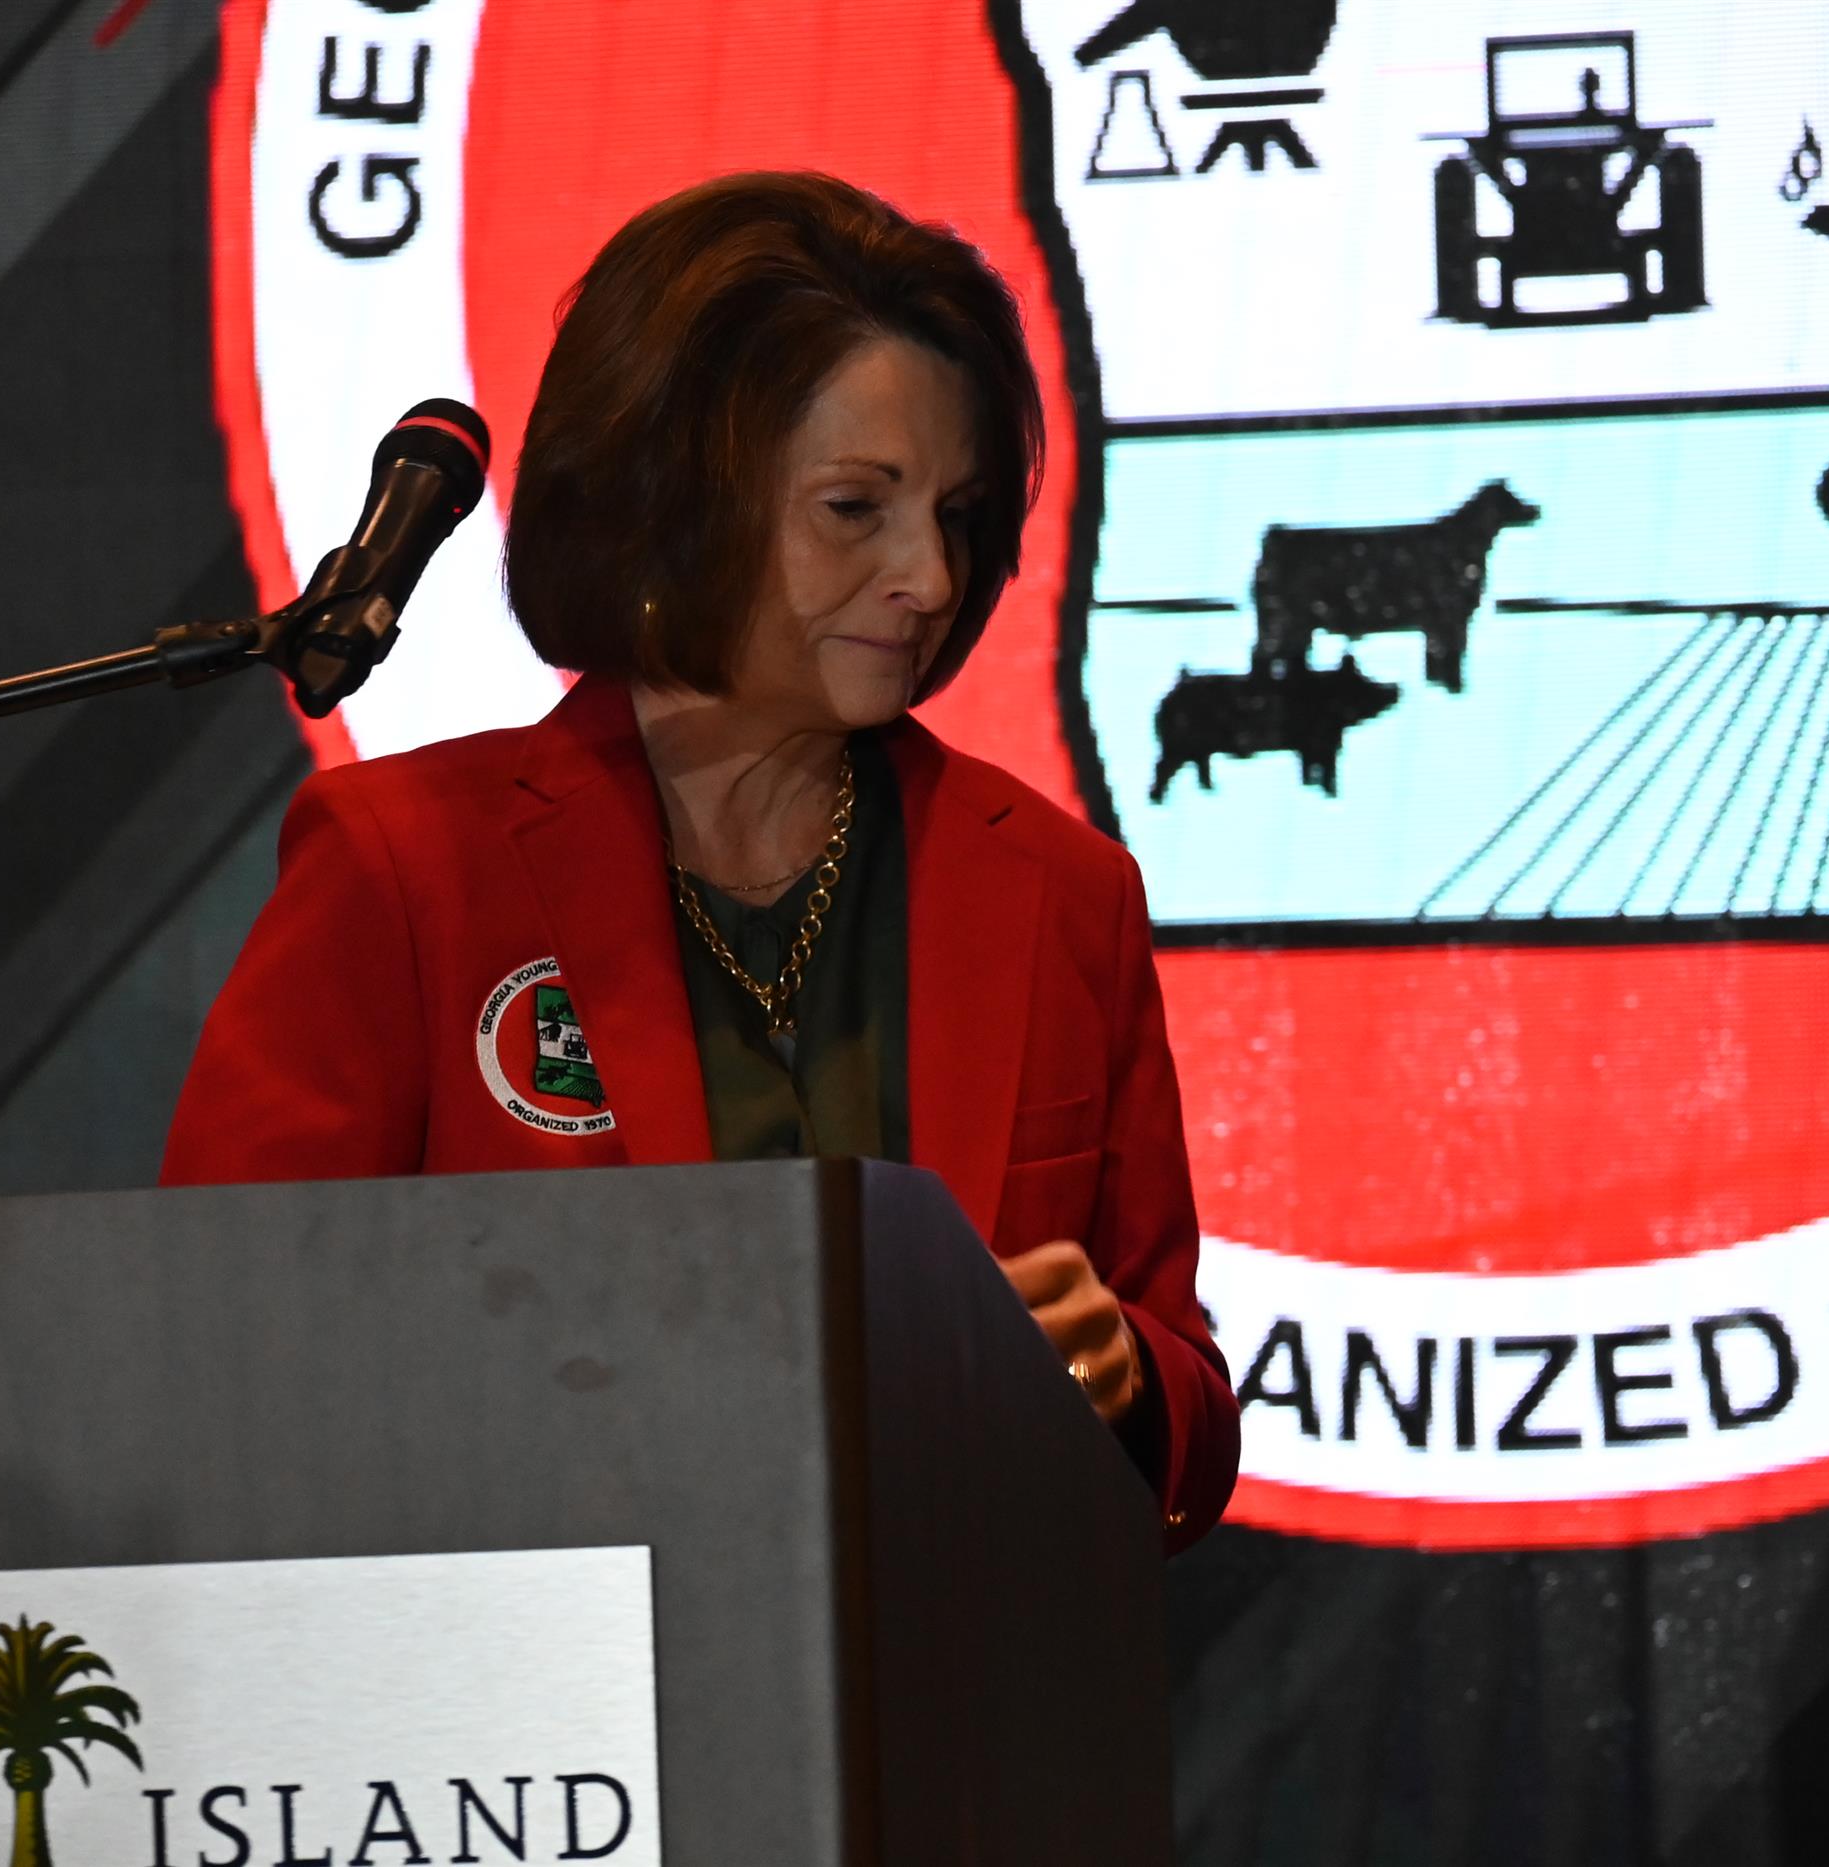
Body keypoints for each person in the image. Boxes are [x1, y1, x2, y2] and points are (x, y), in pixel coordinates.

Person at [162, 172, 1236, 1549]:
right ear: (667, 500)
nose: (930, 577)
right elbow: (221, 1344)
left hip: (951, 1661)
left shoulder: (1062, 892)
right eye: (856, 508)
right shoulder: (407, 869)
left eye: (958, 515)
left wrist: (1122, 1379)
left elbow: (1183, 1406)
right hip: (524, 1666)